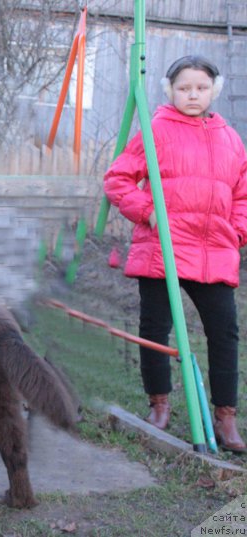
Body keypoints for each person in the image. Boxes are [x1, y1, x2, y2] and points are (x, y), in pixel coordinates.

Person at [104, 55, 247, 452]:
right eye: (184, 88)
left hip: (215, 251)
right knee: (155, 329)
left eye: (200, 88)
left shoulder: (230, 138)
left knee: (225, 333)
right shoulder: (156, 131)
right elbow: (118, 179)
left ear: (213, 90)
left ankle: (225, 418)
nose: (192, 95)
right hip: (162, 248)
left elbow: (243, 194)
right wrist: (148, 213)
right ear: (171, 91)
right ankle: (159, 405)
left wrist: (237, 232)